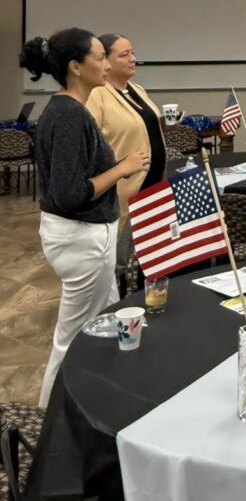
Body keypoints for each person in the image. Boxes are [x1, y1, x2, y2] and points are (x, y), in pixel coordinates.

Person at [19, 29, 149, 406]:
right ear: (76, 67)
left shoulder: (68, 108)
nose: (107, 64)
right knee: (73, 338)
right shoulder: (69, 114)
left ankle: (96, 406)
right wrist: (121, 168)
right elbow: (69, 193)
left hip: (87, 237)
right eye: (99, 57)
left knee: (104, 322)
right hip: (80, 239)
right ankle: (49, 425)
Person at [86, 34, 166, 267]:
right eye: (125, 55)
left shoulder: (136, 89)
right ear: (106, 61)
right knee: (123, 258)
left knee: (149, 256)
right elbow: (92, 145)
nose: (133, 59)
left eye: (132, 52)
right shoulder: (96, 94)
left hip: (153, 186)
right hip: (125, 191)